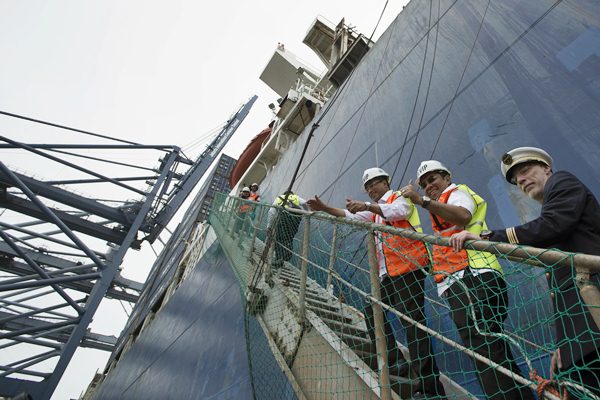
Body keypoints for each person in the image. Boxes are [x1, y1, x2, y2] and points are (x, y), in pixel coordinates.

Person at [451, 147, 600, 398]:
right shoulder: (555, 206)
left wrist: (487, 237)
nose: (520, 180)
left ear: (546, 169)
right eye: (516, 180)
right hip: (583, 333)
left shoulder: (562, 182)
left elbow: (552, 226)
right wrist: (566, 342)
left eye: (525, 170)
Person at [307, 167, 446, 399]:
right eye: (367, 187)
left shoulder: (398, 197)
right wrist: (324, 208)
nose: (371, 189)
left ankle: (431, 390)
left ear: (386, 182)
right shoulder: (374, 210)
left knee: (413, 327)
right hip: (389, 274)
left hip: (409, 269)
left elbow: (398, 212)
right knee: (372, 313)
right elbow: (348, 215)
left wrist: (367, 206)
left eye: (374, 184)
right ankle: (396, 362)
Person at [401, 160, 534, 400]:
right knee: (485, 345)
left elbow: (463, 216)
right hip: (460, 280)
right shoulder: (439, 206)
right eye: (423, 184)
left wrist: (420, 201)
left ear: (447, 178)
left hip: (473, 274)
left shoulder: (457, 192)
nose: (428, 186)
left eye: (433, 179)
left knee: (483, 345)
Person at [267, 190, 307, 268]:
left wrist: (269, 226)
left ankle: (280, 259)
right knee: (289, 238)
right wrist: (308, 212)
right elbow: (306, 204)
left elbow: (271, 212)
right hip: (295, 221)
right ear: (292, 194)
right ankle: (286, 255)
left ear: (284, 194)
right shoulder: (296, 197)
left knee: (279, 238)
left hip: (283, 219)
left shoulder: (279, 198)